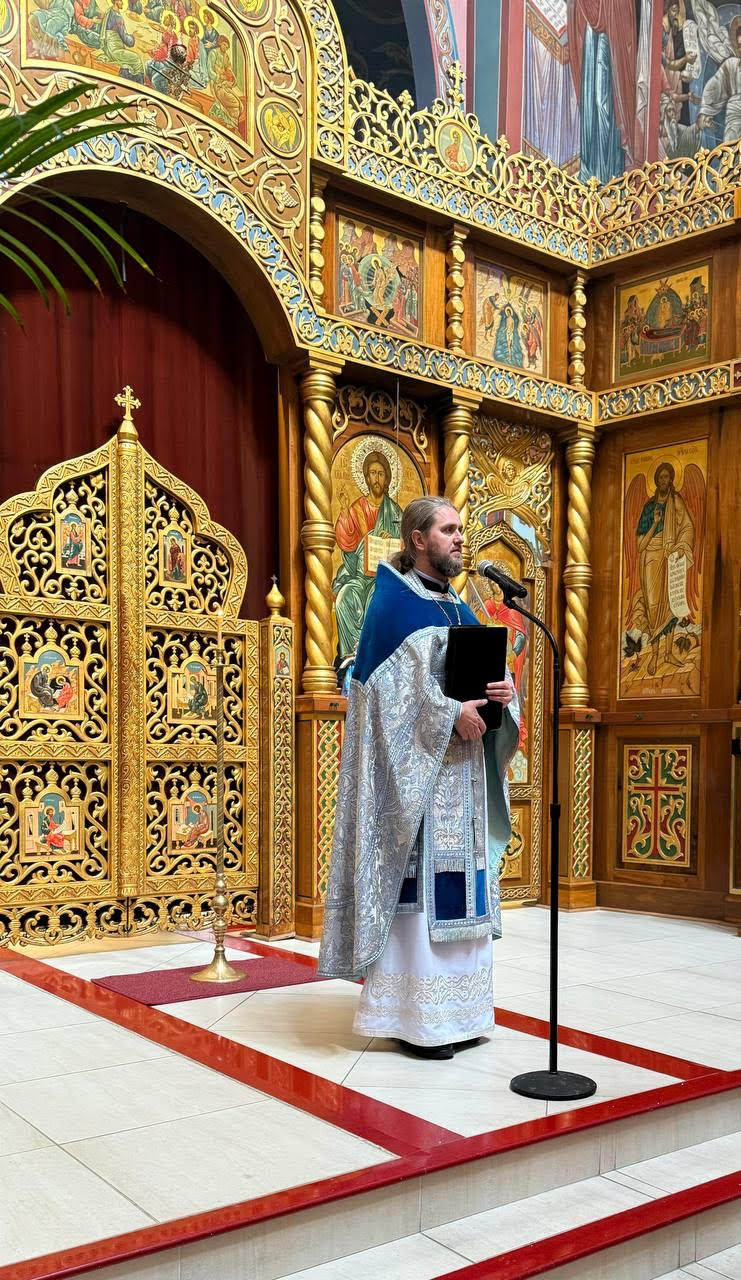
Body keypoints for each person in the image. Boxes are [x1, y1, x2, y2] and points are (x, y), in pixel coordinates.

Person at [319, 496, 519, 1060]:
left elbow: (488, 679)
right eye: (448, 529)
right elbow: (380, 700)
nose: (459, 538)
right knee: (424, 899)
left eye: (460, 529)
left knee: (463, 895)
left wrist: (505, 693)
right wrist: (448, 713)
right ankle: (417, 1022)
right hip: (419, 790)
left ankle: (463, 1015)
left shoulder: (460, 608)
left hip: (466, 781)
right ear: (417, 539)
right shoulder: (392, 607)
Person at [333, 450, 402, 660]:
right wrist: (344, 511)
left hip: (383, 578)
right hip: (359, 575)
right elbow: (347, 542)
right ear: (366, 477)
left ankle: (373, 657)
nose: (377, 478)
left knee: (378, 599)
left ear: (387, 478)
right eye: (373, 473)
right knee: (344, 597)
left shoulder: (395, 512)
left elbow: (407, 548)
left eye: (381, 474)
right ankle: (350, 658)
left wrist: (391, 539)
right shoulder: (357, 508)